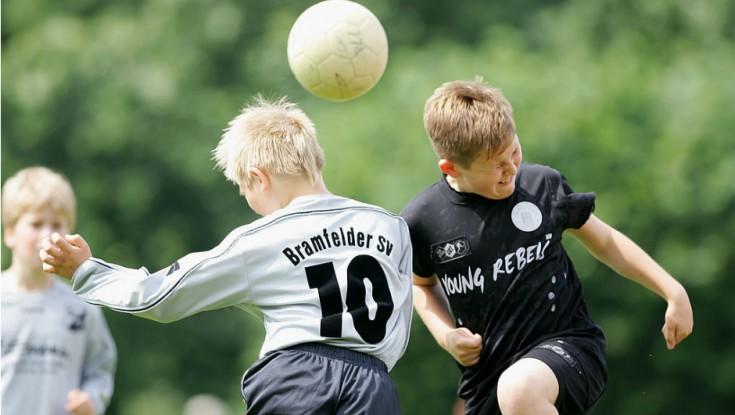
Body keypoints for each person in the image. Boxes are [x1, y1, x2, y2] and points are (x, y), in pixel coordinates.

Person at [40, 96, 413, 414]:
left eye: (245, 191)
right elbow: (400, 326)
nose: (251, 204)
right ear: (317, 161)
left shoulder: (263, 238)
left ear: (259, 178)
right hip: (374, 385)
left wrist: (86, 271)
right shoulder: (390, 226)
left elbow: (162, 295)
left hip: (299, 379)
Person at [401, 78, 693, 415]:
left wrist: (673, 290)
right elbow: (421, 285)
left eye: (513, 151)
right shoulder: (423, 219)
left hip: (570, 347)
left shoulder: (542, 186)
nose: (511, 168)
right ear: (451, 168)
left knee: (519, 389)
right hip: (486, 383)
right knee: (513, 390)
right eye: (496, 164)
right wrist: (446, 335)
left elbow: (607, 242)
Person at [2, 166, 117, 415]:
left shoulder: (82, 306)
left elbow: (100, 370)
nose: (47, 234)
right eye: (36, 224)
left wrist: (92, 400)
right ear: (9, 234)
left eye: (57, 224)